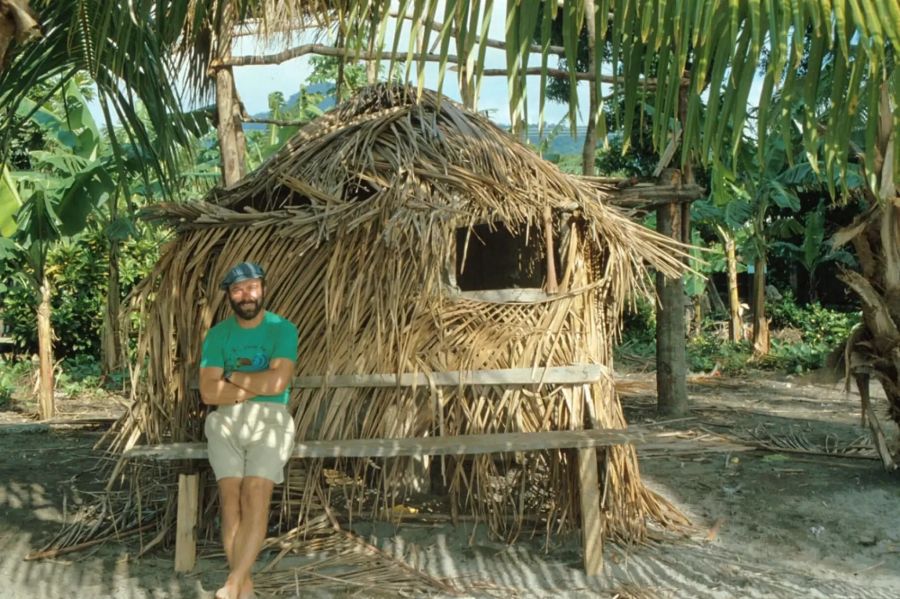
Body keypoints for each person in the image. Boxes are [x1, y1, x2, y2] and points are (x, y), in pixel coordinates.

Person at [199, 262, 298, 599]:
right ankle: (244, 586)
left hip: (270, 421)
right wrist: (260, 383)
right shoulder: (218, 335)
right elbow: (209, 392)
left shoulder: (282, 329)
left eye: (252, 287)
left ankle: (232, 583)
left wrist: (236, 379)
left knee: (255, 493)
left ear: (263, 289)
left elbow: (279, 382)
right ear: (229, 295)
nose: (246, 295)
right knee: (230, 500)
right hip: (224, 419)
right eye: (238, 290)